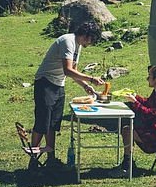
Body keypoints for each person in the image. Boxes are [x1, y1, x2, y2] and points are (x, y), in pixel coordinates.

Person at [30, 21, 104, 169]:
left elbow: (73, 70)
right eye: (92, 39)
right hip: (46, 83)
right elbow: (67, 70)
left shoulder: (78, 45)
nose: (91, 42)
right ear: (86, 35)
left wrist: (85, 86)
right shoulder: (68, 41)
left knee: (53, 123)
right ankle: (33, 160)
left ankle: (51, 159)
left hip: (58, 85)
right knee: (42, 122)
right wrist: (91, 79)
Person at [111, 63, 156, 177]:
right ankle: (127, 164)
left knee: (127, 130)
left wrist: (135, 102)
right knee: (126, 128)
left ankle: (127, 166)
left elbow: (151, 115)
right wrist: (136, 97)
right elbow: (148, 104)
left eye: (149, 76)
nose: (147, 79)